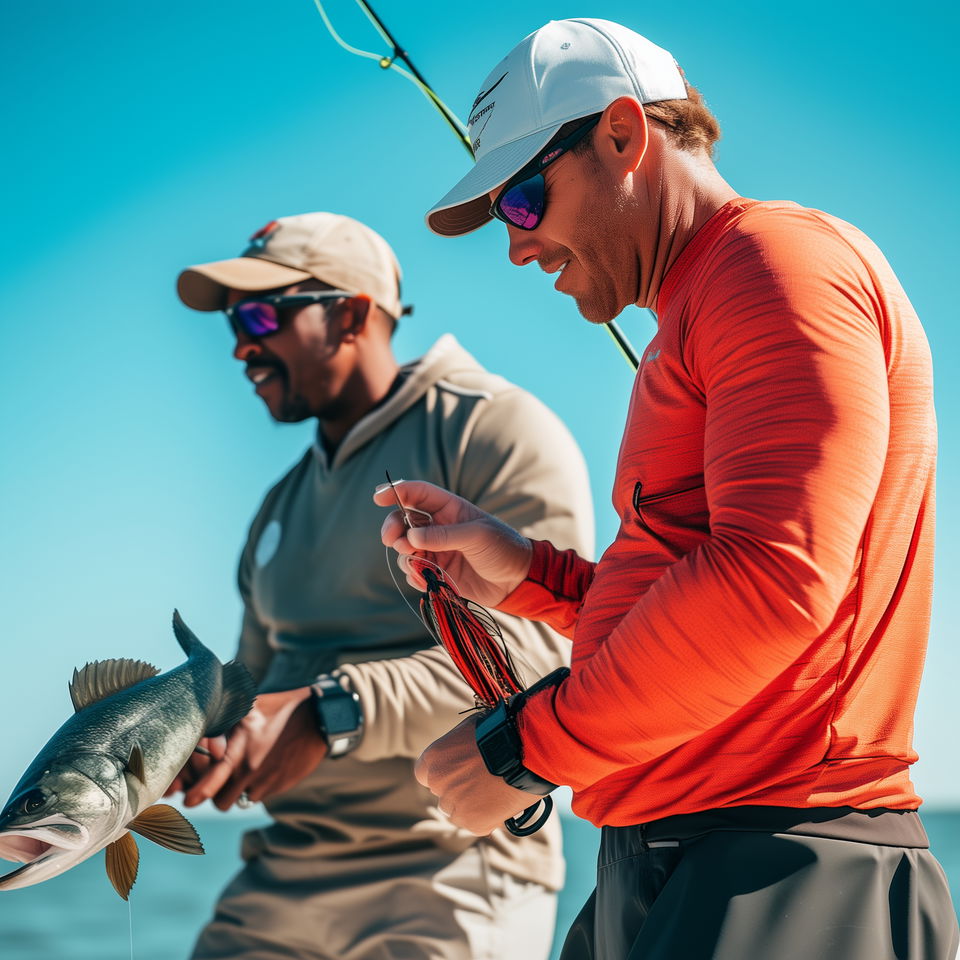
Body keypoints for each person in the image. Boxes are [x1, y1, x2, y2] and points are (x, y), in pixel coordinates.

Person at [376, 18, 960, 960]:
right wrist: (529, 574)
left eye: (522, 200)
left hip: (780, 865)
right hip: (681, 857)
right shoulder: (708, 297)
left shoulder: (776, 268)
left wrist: (523, 751)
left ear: (622, 134)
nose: (517, 249)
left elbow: (772, 585)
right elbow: (693, 592)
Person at [171, 211, 594, 960]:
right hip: (282, 877)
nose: (241, 345)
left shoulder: (490, 428)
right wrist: (213, 741)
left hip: (453, 873)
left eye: (263, 315)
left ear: (350, 314)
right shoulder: (276, 507)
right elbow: (252, 695)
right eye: (235, 322)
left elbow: (541, 657)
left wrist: (333, 710)